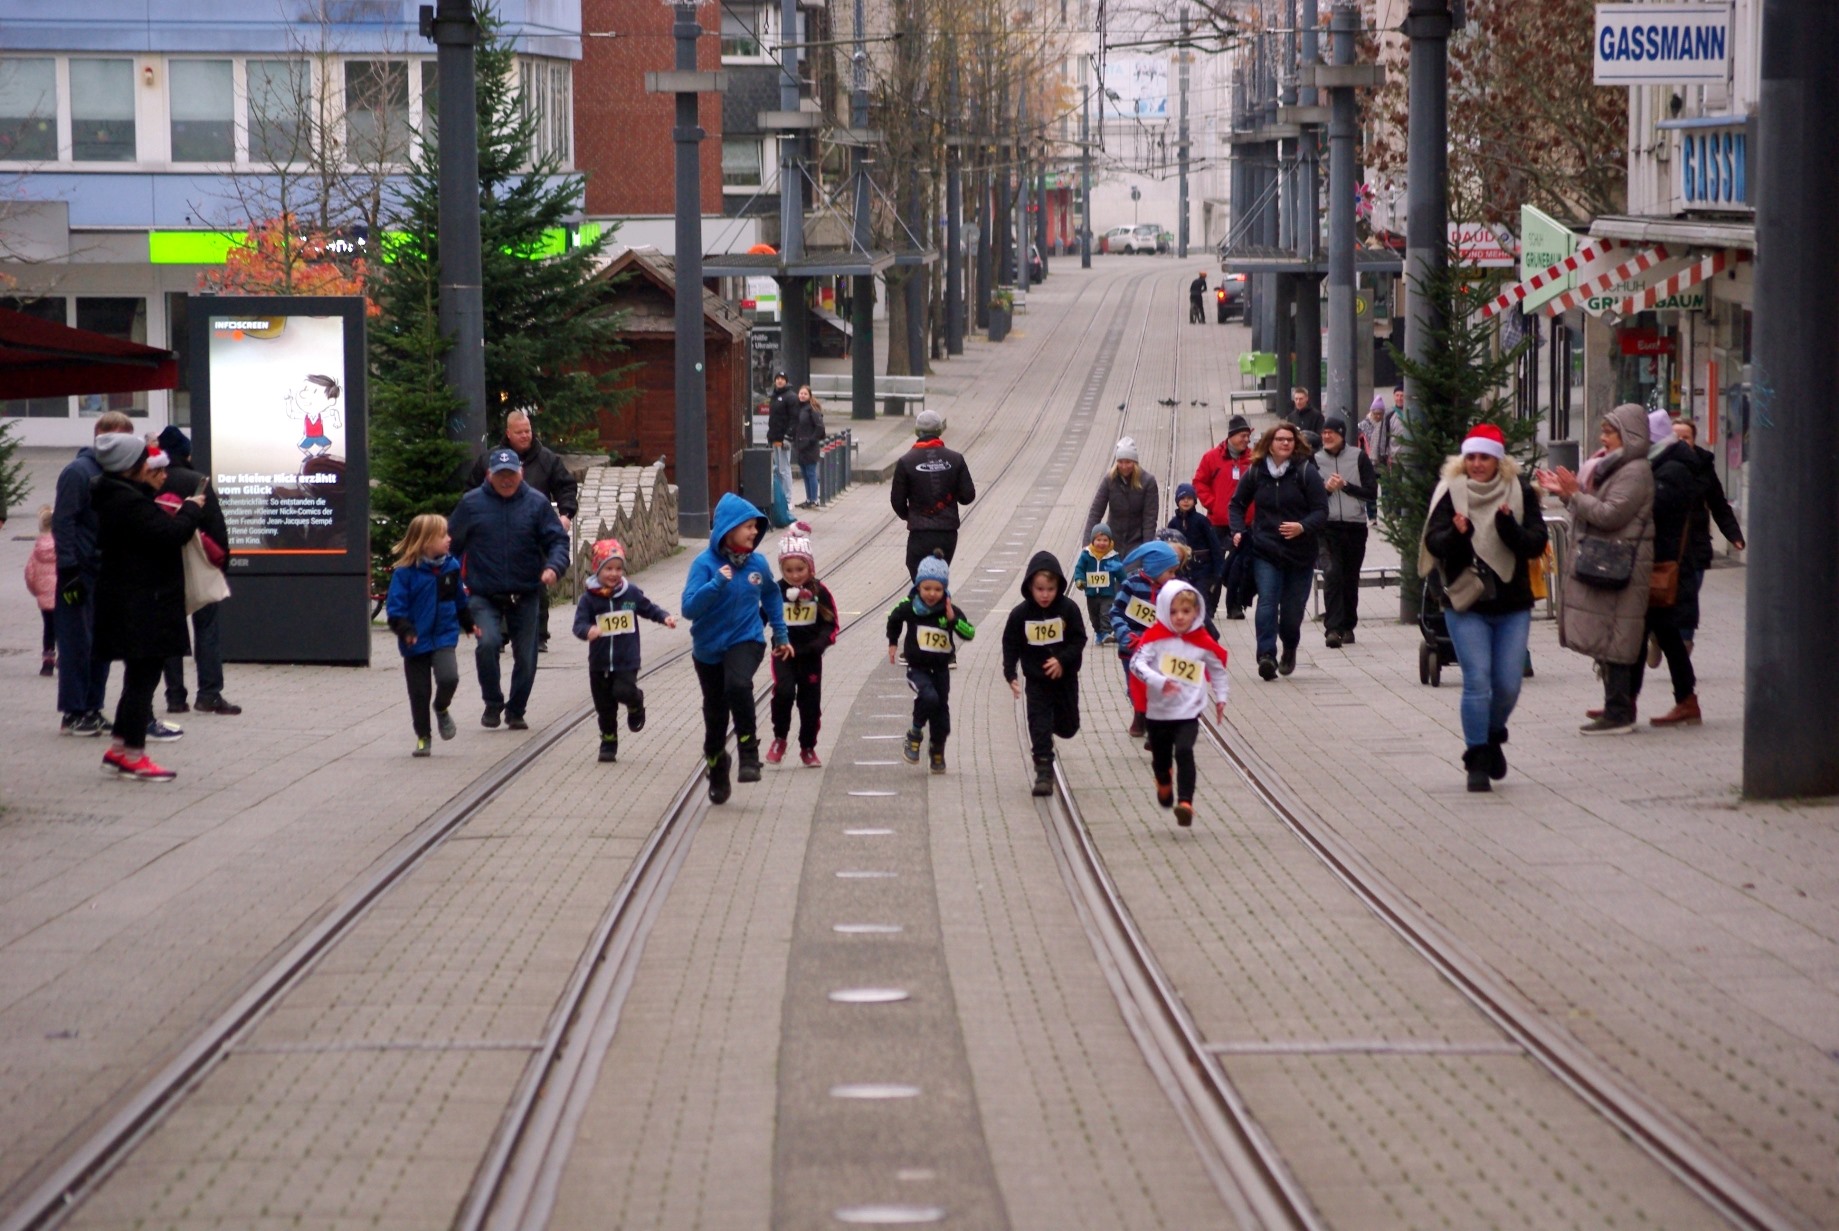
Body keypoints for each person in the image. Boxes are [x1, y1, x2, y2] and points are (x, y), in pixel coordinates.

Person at [1420, 425, 1550, 792]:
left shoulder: (1521, 492)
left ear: (1499, 460)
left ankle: (1493, 734)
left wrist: (1508, 528)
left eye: (1485, 458)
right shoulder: (1450, 492)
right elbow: (1435, 543)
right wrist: (1458, 534)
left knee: (1507, 684)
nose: (1478, 464)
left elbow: (1535, 545)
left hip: (1512, 604)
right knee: (1477, 681)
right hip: (1467, 604)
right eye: (1472, 457)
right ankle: (1477, 758)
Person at [89, 432, 208, 782]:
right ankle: (134, 755)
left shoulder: (116, 495)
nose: (151, 466)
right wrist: (189, 510)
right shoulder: (128, 502)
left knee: (137, 679)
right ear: (131, 467)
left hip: (132, 601)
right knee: (143, 680)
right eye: (144, 460)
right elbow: (167, 536)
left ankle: (120, 749)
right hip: (143, 604)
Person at [1538, 403, 1656, 735]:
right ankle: (1616, 706)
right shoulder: (1616, 467)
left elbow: (1609, 515)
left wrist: (1575, 494)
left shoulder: (1634, 471)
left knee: (1618, 637)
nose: (1602, 438)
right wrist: (1567, 495)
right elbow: (1595, 509)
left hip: (1623, 566)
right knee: (1611, 635)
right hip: (1612, 563)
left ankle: (1619, 712)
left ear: (1629, 436)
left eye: (1609, 432)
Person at [448, 447, 571, 731]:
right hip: (483, 594)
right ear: (489, 474)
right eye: (500, 474)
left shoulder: (537, 504)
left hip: (526, 592)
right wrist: (448, 581)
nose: (506, 480)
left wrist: (554, 567)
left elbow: (557, 541)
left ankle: (516, 709)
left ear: (521, 473)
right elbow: (450, 546)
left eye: (511, 474)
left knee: (527, 657)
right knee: (488, 643)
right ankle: (493, 702)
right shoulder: (471, 504)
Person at [683, 492, 792, 803]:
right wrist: (715, 584)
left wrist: (780, 634)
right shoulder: (704, 564)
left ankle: (748, 752)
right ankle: (717, 766)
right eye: (748, 527)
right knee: (715, 716)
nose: (754, 533)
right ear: (729, 529)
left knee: (738, 684)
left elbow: (771, 594)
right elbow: (689, 608)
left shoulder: (757, 563)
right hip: (707, 649)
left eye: (756, 527)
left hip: (747, 639)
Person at [466, 409, 579, 652]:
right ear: (509, 433)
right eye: (520, 432)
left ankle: (537, 635)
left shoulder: (548, 459)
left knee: (537, 582)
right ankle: (501, 634)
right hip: (497, 532)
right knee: (499, 583)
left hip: (534, 532)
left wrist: (565, 514)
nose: (525, 435)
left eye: (528, 431)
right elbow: (471, 491)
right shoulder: (489, 459)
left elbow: (566, 487)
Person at [53, 411, 137, 736]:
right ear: (99, 436)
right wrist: (69, 566)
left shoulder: (114, 472)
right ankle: (73, 712)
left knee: (101, 644)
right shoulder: (78, 472)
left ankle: (92, 707)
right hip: (80, 571)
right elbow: (64, 520)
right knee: (76, 642)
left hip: (105, 570)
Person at [1228, 423, 1328, 681]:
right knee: (1268, 603)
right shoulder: (1256, 472)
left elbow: (1321, 511)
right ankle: (1266, 655)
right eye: (1280, 439)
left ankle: (1290, 647)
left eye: (1290, 440)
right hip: (1266, 550)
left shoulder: (1306, 472)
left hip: (1300, 554)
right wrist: (1238, 530)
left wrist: (1302, 527)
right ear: (1269, 443)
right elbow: (1236, 504)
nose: (1285, 444)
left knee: (1292, 615)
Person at [1128, 580, 1230, 828]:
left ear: (1197, 612)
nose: (1180, 617)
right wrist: (1158, 680)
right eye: (1173, 612)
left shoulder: (1201, 641)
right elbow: (1136, 664)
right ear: (1163, 610)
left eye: (1186, 612)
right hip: (1158, 713)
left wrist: (1221, 697)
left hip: (1188, 712)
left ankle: (1185, 802)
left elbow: (1217, 669)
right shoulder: (1155, 639)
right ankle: (1163, 781)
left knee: (1184, 751)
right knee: (1161, 759)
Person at [153, 428, 239, 716]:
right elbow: (216, 525)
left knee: (170, 631)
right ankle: (210, 694)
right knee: (207, 628)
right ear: (186, 453)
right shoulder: (196, 481)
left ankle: (175, 697)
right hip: (199, 565)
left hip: (163, 564)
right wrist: (221, 565)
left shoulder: (153, 481)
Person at [574, 538, 675, 763]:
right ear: (597, 569)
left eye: (618, 568)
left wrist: (664, 617)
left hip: (626, 659)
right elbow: (578, 625)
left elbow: (648, 609)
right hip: (599, 662)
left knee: (623, 691)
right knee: (604, 707)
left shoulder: (630, 595)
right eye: (608, 568)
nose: (614, 573)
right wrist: (588, 630)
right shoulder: (589, 599)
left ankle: (635, 703)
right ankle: (608, 741)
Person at [1634, 410, 1704, 728]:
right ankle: (1625, 701)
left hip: (1665, 564)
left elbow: (1655, 509)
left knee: (1659, 634)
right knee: (1658, 634)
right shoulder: (1666, 464)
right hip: (1659, 561)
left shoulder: (1672, 469)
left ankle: (1626, 702)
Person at [386, 513, 476, 757]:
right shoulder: (405, 573)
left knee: (449, 678)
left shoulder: (451, 566)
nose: (449, 539)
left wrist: (468, 623)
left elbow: (459, 598)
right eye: (443, 535)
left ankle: (442, 707)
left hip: (444, 636)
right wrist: (405, 630)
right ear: (425, 541)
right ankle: (423, 736)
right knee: (419, 692)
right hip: (415, 641)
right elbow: (395, 609)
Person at [1002, 550, 1088, 796]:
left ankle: (1053, 727)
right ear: (1030, 586)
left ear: (1058, 586)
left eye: (1050, 589)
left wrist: (1062, 659)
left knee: (1068, 727)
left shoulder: (1068, 609)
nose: (1045, 595)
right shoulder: (1020, 615)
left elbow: (1079, 639)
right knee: (1038, 725)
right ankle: (1043, 771)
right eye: (1039, 589)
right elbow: (1010, 644)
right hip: (1037, 682)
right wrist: (1011, 675)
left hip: (1065, 680)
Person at [887, 551, 975, 774]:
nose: (931, 594)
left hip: (941, 670)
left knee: (941, 715)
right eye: (927, 589)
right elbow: (894, 618)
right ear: (918, 587)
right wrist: (893, 642)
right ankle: (914, 734)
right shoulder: (910, 606)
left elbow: (970, 632)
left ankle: (937, 749)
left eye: (937, 589)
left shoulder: (949, 612)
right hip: (917, 668)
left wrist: (954, 622)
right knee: (928, 696)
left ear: (944, 589)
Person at [1670, 418, 1744, 653]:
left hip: (1696, 544)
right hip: (1665, 543)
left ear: (1694, 440)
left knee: (1689, 594)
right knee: (1664, 593)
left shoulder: (1704, 466)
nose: (1681, 442)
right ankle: (1658, 634)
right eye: (1675, 438)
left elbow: (1719, 505)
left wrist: (1733, 535)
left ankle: (1684, 640)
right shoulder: (1657, 465)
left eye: (1686, 438)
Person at [767, 524, 837, 767]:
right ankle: (779, 738)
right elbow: (759, 618)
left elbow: (831, 624)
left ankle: (808, 747)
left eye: (800, 569)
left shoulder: (819, 591)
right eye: (789, 570)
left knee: (810, 705)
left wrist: (818, 645)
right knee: (784, 692)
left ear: (810, 566)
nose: (795, 575)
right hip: (783, 654)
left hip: (809, 657)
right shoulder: (775, 591)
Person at [1109, 539, 1183, 738]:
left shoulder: (1170, 592)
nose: (1174, 577)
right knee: (1135, 688)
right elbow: (1116, 613)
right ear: (1155, 568)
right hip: (1131, 650)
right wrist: (1126, 635)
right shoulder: (1131, 585)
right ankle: (1139, 714)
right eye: (1170, 572)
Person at [891, 409, 977, 578]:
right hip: (947, 533)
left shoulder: (906, 461)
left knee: (920, 580)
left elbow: (897, 501)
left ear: (917, 432)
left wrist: (910, 516)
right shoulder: (955, 459)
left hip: (920, 533)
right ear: (939, 431)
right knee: (939, 578)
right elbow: (968, 496)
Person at [1316, 416, 1378, 649]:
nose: (1326, 437)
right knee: (1332, 574)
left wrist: (1346, 487)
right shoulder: (1316, 460)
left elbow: (1371, 492)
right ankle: (1332, 629)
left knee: (1350, 578)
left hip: (1354, 526)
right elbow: (1310, 497)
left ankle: (1348, 626)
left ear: (1342, 435)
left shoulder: (1358, 457)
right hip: (1328, 527)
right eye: (1324, 433)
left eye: (1331, 433)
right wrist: (1327, 489)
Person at [1192, 415, 1255, 619]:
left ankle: (1235, 606)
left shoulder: (1254, 459)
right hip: (1217, 522)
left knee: (1240, 566)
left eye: (1248, 436)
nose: (1246, 440)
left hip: (1245, 523)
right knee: (1215, 566)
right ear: (1231, 437)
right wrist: (1213, 504)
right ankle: (1210, 606)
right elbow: (1199, 483)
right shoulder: (1212, 458)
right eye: (1243, 436)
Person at [1085, 438, 1161, 556]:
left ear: (1135, 462)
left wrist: (1147, 550)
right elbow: (1095, 512)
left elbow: (1150, 519)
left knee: (1130, 572)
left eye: (1128, 462)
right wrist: (1087, 547)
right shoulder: (1109, 480)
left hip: (1137, 542)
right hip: (1113, 541)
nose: (1124, 466)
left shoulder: (1148, 482)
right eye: (1120, 462)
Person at [1167, 483, 1222, 626]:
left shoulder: (1202, 521)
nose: (1186, 501)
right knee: (1183, 598)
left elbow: (1214, 545)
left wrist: (1217, 571)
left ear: (1195, 501)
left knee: (1200, 598)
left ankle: (1205, 628)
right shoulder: (1173, 523)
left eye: (1190, 498)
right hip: (1181, 570)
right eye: (1182, 498)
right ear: (1177, 501)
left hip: (1202, 568)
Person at [1072, 523, 1123, 643]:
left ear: (1110, 541)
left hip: (1108, 592)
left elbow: (1120, 573)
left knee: (1105, 613)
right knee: (1094, 616)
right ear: (1093, 541)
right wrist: (1079, 580)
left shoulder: (1112, 556)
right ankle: (1099, 633)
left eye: (1105, 540)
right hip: (1091, 593)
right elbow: (1079, 568)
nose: (1102, 543)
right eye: (1098, 540)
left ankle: (1106, 632)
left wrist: (1124, 580)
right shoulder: (1086, 555)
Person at [25, 505, 58, 676]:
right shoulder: (65, 546)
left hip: (45, 599)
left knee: (49, 628)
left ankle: (48, 662)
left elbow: (30, 573)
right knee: (65, 628)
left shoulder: (37, 550)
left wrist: (36, 590)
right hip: (64, 596)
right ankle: (66, 657)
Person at [765, 371, 797, 520]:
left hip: (783, 439)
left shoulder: (790, 397)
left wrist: (788, 437)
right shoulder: (774, 396)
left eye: (782, 379)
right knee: (777, 469)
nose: (779, 381)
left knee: (784, 469)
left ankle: (788, 499)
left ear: (786, 381)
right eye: (777, 379)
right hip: (774, 437)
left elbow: (793, 418)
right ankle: (781, 497)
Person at [791, 385, 826, 508]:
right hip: (800, 446)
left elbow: (820, 427)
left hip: (810, 447)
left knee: (811, 473)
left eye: (805, 394)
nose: (802, 396)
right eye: (801, 393)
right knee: (805, 474)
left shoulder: (812, 410)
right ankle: (808, 498)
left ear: (810, 396)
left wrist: (811, 440)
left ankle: (814, 499)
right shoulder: (799, 409)